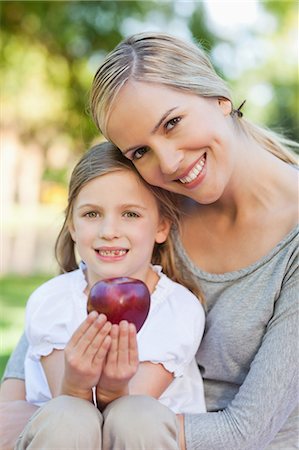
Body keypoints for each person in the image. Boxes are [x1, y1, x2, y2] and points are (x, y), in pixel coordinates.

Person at [1, 31, 298, 450]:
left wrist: (78, 424)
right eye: (140, 151)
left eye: (173, 123)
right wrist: (28, 416)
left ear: (219, 99)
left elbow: (247, 432)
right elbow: (56, 318)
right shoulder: (151, 208)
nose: (171, 161)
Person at [5, 140, 205, 448]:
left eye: (130, 214)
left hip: (139, 434)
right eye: (92, 214)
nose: (109, 230)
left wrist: (112, 387)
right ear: (71, 225)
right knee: (68, 415)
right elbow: (70, 409)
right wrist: (74, 383)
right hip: (63, 433)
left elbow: (123, 417)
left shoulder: (179, 309)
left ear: (162, 226)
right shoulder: (51, 302)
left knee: (136, 414)